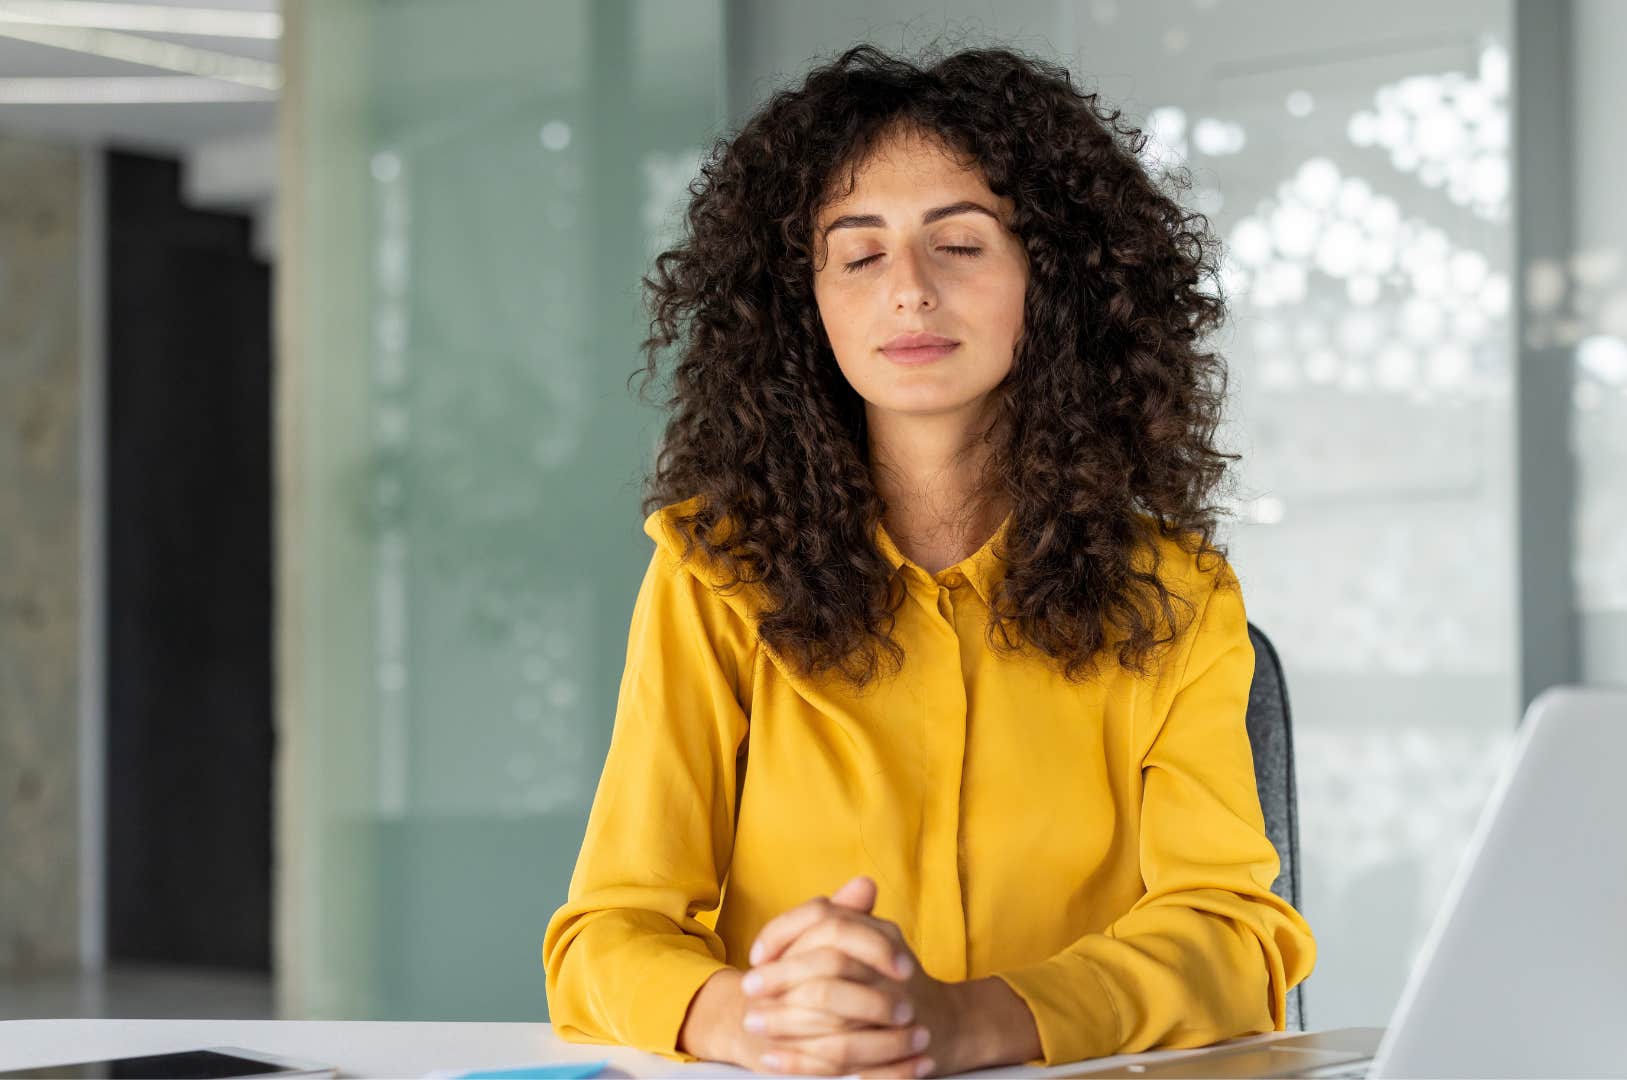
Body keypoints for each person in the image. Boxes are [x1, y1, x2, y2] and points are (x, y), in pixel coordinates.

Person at [541, 42, 1315, 1078]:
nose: (907, 290)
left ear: (1059, 279)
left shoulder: (1177, 596)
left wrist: (969, 1022)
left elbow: (1231, 942)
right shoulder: (712, 574)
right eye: (858, 254)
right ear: (801, 304)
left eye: (960, 245)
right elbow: (605, 938)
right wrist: (764, 1018)